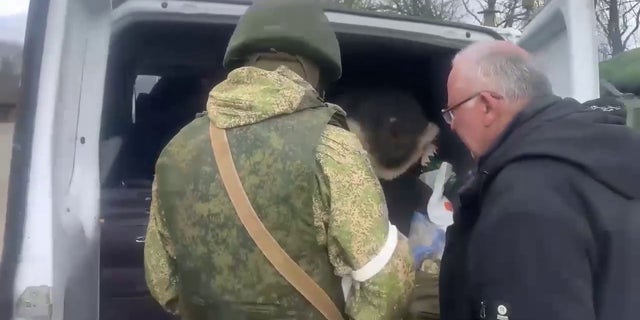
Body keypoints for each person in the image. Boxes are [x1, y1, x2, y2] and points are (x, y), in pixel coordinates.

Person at [143, 0, 415, 319]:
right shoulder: (331, 146)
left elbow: (163, 281)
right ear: (315, 71)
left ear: (243, 63)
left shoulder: (178, 150)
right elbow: (387, 280)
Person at [439, 40, 640, 320]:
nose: (452, 125)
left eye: (453, 112)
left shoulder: (524, 201)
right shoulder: (610, 153)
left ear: (486, 106)